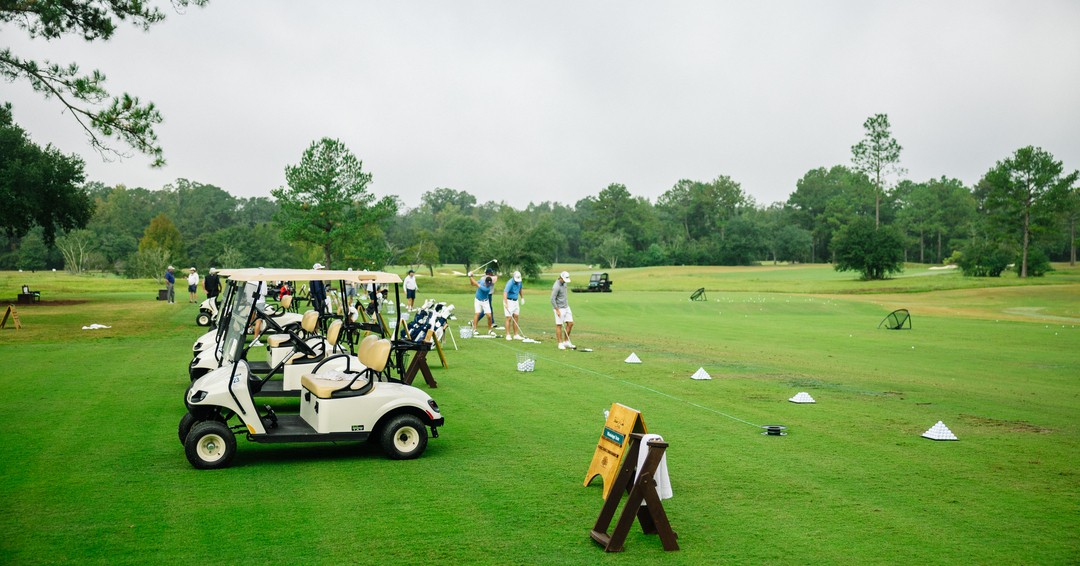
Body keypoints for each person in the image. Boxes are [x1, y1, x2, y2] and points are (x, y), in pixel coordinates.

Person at [551, 270, 575, 350]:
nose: (565, 281)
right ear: (561, 277)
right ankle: (560, 343)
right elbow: (552, 299)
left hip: (566, 306)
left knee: (570, 323)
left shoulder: (564, 283)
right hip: (559, 308)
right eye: (564, 279)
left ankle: (566, 341)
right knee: (559, 325)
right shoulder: (556, 286)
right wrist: (557, 310)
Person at [503, 270, 524, 340]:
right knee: (508, 318)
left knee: (516, 317)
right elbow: (505, 292)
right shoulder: (510, 283)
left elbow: (520, 289)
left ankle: (516, 334)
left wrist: (522, 298)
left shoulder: (519, 281)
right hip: (509, 301)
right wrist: (505, 303)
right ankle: (508, 335)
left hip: (516, 301)